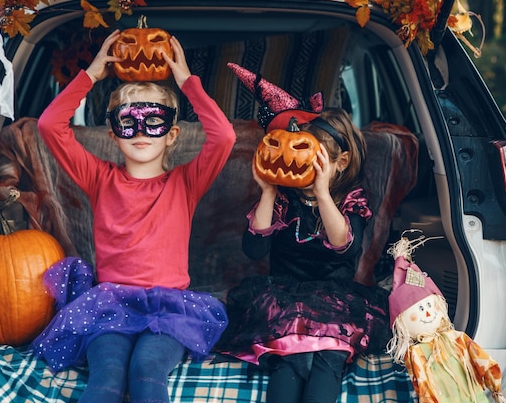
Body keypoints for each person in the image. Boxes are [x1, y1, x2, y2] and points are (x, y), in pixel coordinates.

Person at [30, 30, 236, 403]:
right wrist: (91, 74)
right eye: (129, 121)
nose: (141, 132)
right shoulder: (98, 178)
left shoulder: (185, 183)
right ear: (113, 133)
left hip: (171, 309)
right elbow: (49, 126)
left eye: (154, 121)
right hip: (110, 305)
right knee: (107, 375)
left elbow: (223, 137)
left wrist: (186, 81)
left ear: (172, 134)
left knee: (147, 370)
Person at [217, 64, 392, 403]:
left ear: (338, 164)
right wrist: (267, 192)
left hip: (337, 302)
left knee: (327, 359)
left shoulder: (352, 200)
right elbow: (253, 249)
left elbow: (344, 245)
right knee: (290, 360)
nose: (293, 159)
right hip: (284, 298)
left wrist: (324, 194)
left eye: (307, 155)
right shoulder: (284, 199)